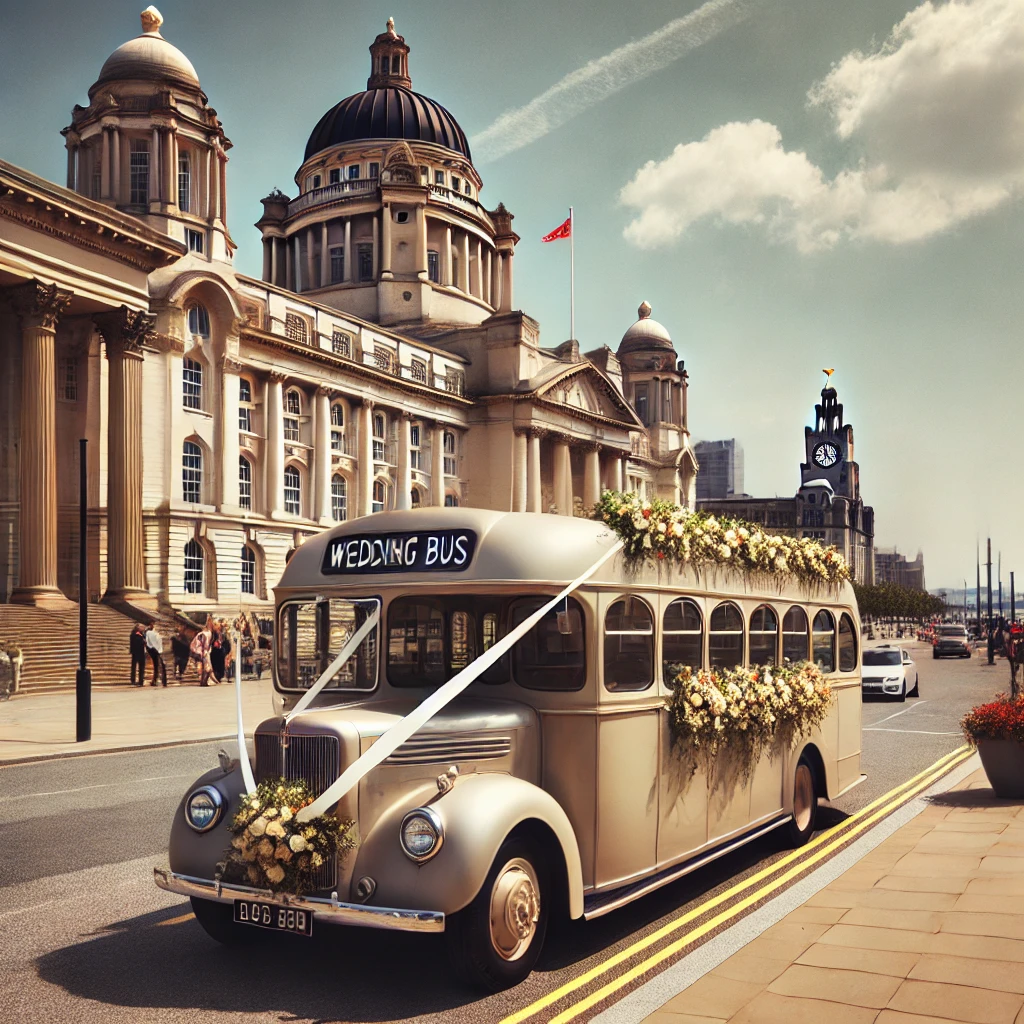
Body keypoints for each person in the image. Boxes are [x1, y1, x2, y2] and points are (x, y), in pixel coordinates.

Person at [191, 620, 214, 687]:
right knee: (207, 667)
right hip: (202, 652)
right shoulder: (206, 634)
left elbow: (194, 645)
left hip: (197, 652)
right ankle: (203, 681)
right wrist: (204, 652)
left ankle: (202, 681)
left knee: (202, 666)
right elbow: (205, 644)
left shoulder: (199, 634)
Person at [145, 622, 167, 687]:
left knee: (159, 666)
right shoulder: (151, 633)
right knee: (158, 666)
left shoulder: (158, 634)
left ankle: (160, 681)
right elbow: (148, 642)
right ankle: (157, 680)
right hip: (155, 651)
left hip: (159, 652)